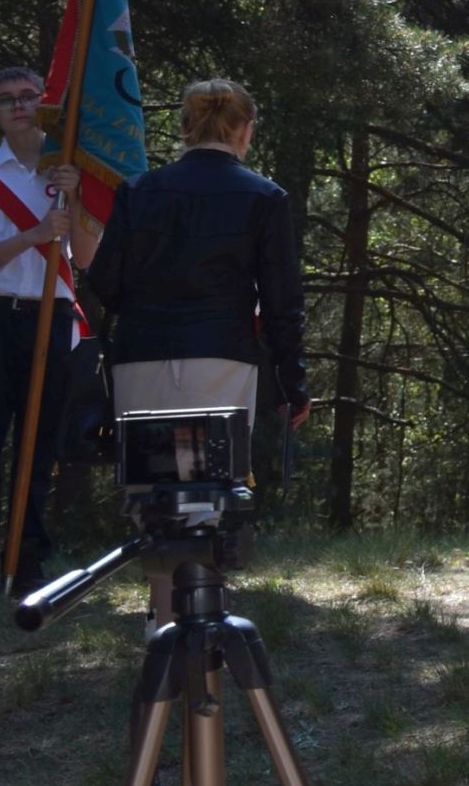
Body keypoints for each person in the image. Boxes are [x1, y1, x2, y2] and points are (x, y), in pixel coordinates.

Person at [76, 80, 309, 624]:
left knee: (153, 492)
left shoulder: (139, 191)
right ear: (246, 130)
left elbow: (105, 283)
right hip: (218, 358)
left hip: (142, 355)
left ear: (185, 127)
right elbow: (282, 302)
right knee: (208, 492)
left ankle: (164, 620)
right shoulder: (263, 197)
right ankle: (197, 623)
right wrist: (292, 381)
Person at [0, 65, 100, 600]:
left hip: (49, 315)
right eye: (6, 99)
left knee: (38, 442)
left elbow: (86, 257)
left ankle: (28, 561)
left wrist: (76, 199)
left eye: (29, 96)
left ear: (45, 103)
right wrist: (34, 234)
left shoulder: (70, 172)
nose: (19, 105)